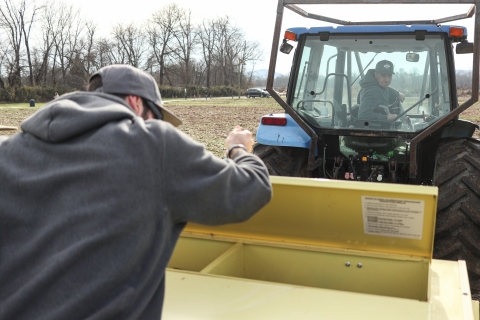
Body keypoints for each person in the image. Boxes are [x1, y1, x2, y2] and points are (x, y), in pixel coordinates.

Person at [0, 64, 272, 319]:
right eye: (157, 114)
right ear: (135, 102)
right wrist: (237, 148)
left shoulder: (9, 152)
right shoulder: (153, 144)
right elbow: (251, 188)